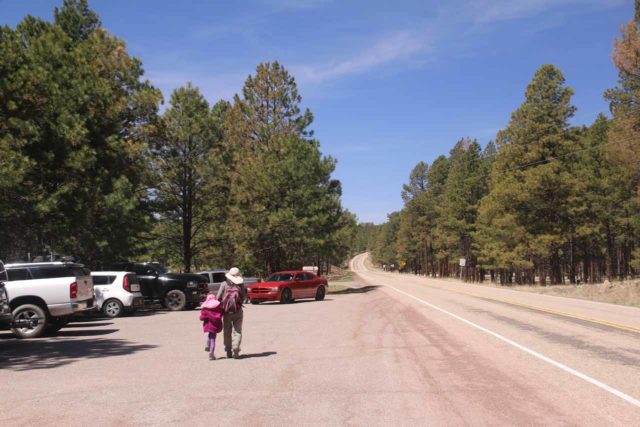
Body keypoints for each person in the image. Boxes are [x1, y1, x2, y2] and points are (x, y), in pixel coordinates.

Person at [217, 267, 245, 359]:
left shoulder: (224, 284)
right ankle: (236, 348)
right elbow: (243, 297)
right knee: (237, 331)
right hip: (238, 311)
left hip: (226, 311)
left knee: (227, 331)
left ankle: (228, 350)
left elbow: (218, 297)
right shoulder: (241, 285)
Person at [199, 294, 223, 360]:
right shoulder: (218, 308)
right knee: (212, 338)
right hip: (215, 325)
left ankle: (210, 351)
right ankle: (211, 351)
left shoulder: (205, 309)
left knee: (211, 337)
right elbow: (221, 314)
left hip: (208, 325)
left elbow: (201, 318)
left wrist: (206, 316)